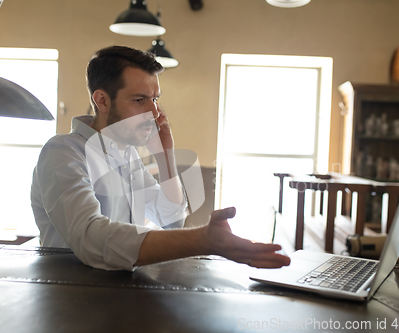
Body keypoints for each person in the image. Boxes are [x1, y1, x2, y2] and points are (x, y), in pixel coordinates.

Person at [31, 45, 290, 271]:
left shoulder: (126, 154)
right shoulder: (63, 152)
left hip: (115, 295)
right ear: (102, 101)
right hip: (68, 299)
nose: (155, 112)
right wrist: (202, 240)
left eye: (155, 99)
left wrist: (165, 157)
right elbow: (91, 240)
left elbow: (171, 220)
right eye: (140, 99)